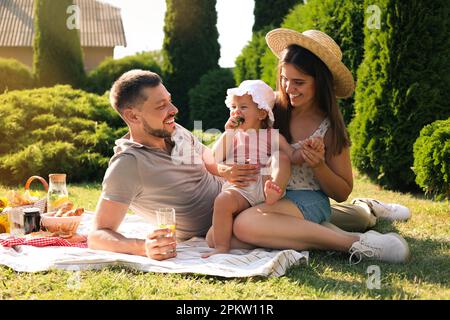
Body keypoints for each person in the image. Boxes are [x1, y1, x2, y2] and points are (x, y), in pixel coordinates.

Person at [224, 28, 411, 264]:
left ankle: (356, 243)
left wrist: (319, 165)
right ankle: (356, 216)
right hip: (267, 199)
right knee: (227, 235)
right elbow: (236, 139)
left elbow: (342, 192)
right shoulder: (269, 109)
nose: (289, 88)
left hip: (307, 200)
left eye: (299, 82)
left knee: (244, 225)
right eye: (284, 78)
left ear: (320, 82)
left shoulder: (328, 128)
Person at [87, 69, 256, 260]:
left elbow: (210, 158)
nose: (174, 110)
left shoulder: (174, 130)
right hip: (228, 224)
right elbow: (97, 235)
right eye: (161, 106)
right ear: (133, 116)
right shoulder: (128, 165)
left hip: (242, 195)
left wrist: (226, 170)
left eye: (169, 101)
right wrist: (143, 247)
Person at [202, 80, 324, 258]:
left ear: (261, 113)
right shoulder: (234, 136)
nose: (236, 111)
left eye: (243, 107)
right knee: (222, 202)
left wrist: (308, 149)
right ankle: (221, 247)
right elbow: (215, 156)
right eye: (234, 106)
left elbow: (292, 157)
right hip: (242, 187)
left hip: (266, 183)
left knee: (281, 157)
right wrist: (227, 133)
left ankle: (276, 189)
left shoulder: (272, 136)